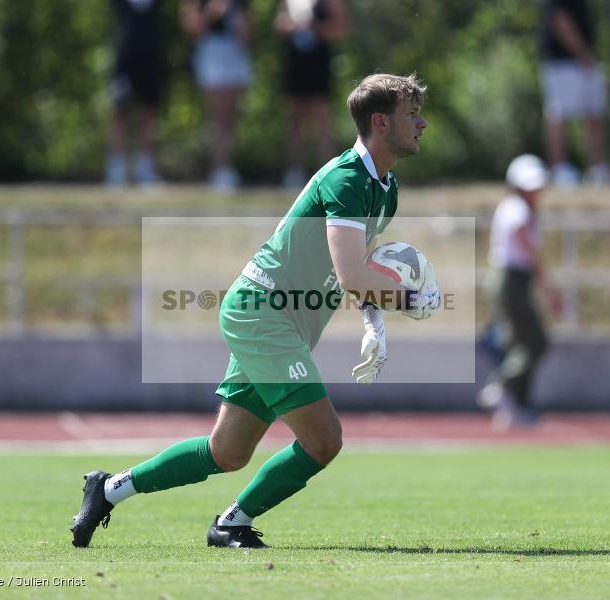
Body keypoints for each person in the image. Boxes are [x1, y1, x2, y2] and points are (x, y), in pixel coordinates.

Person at [70, 74, 439, 549]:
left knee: (226, 452)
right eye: (413, 114)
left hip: (283, 319)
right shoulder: (347, 178)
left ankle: (107, 489)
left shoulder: (384, 187)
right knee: (324, 439)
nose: (422, 123)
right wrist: (412, 301)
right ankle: (230, 524)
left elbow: (352, 265)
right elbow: (351, 276)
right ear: (382, 122)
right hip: (263, 313)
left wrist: (375, 322)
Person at [477, 155, 561, 431]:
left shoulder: (515, 206)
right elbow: (525, 243)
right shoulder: (517, 208)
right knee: (535, 341)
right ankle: (504, 386)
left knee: (520, 342)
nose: (535, 192)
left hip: (512, 279)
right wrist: (548, 287)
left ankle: (515, 407)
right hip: (511, 278)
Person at [275, 0, 350, 189]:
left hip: (318, 64)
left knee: (322, 120)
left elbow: (340, 28)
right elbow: (278, 25)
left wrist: (313, 27)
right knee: (293, 120)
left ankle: (330, 172)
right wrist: (288, 26)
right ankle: (294, 172)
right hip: (295, 63)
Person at [539, 0, 610, 188]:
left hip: (583, 60)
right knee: (558, 115)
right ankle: (560, 169)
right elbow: (560, 20)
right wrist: (582, 53)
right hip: (562, 62)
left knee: (594, 113)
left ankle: (597, 170)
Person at [181, 0, 252, 193]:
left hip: (235, 52)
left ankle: (226, 166)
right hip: (211, 52)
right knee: (217, 117)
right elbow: (191, 27)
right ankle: (219, 168)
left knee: (230, 118)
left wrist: (241, 25)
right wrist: (212, 13)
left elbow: (248, 34)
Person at [105, 0, 165, 187]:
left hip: (151, 59)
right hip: (124, 59)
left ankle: (145, 168)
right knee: (119, 113)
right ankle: (116, 169)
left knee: (149, 113)